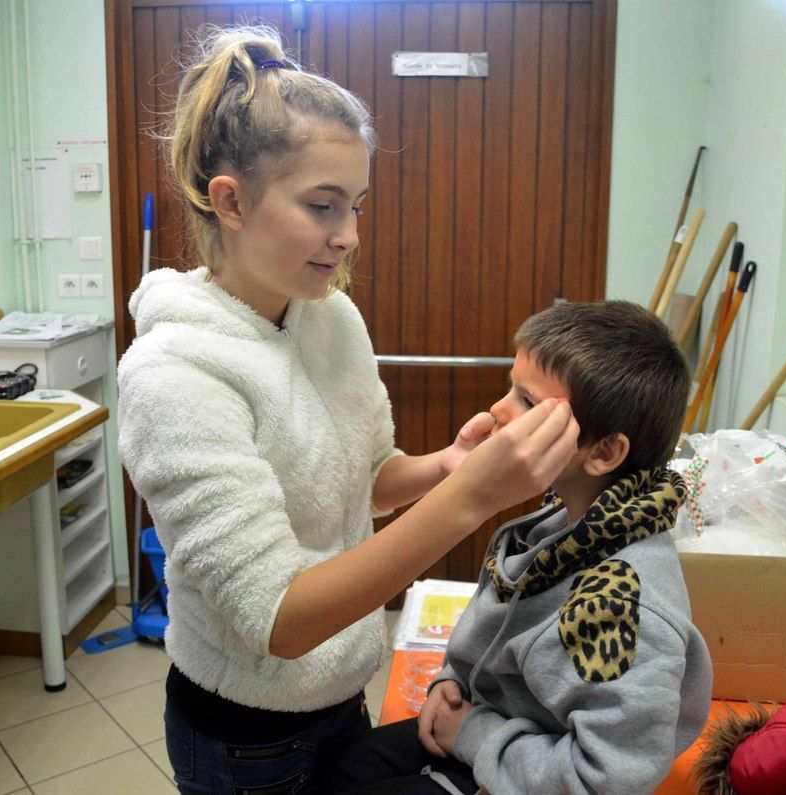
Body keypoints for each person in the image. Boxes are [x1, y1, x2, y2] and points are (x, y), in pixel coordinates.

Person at [115, 25, 580, 794]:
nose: (349, 236)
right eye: (323, 206)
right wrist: (473, 498)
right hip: (246, 734)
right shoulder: (174, 376)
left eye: (356, 205)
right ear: (230, 200)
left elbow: (359, 476)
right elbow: (282, 619)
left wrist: (444, 469)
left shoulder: (327, 316)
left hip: (338, 695)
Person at [323, 301, 714, 795]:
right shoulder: (552, 525)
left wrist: (470, 732)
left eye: (527, 403)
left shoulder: (623, 607)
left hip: (529, 770)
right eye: (511, 388)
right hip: (492, 731)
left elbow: (603, 779)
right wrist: (453, 681)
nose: (498, 412)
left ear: (604, 452)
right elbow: (491, 633)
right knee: (342, 769)